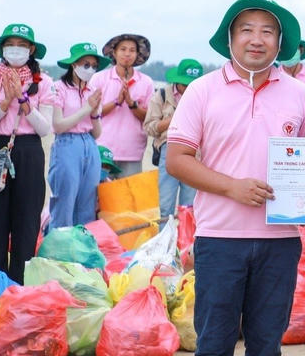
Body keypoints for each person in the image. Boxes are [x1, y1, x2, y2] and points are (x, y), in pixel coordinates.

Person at [168, 0, 305, 356]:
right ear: (230, 38)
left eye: (268, 31)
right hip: (220, 239)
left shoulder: (296, 94)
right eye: (247, 30)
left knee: (265, 346)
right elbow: (177, 160)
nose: (257, 39)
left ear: (281, 41)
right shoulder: (203, 91)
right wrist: (232, 186)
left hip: (279, 242)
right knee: (213, 345)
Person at [0, 23, 53, 284]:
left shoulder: (43, 81)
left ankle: (20, 288)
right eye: (11, 44)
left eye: (22, 45)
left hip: (29, 150)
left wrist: (22, 100)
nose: (16, 50)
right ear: (2, 48)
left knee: (26, 224)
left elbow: (45, 128)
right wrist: (4, 102)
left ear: (31, 49)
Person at [48, 43, 107, 229]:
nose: (90, 69)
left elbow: (97, 133)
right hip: (67, 143)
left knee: (87, 202)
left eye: (93, 65)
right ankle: (58, 248)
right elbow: (58, 125)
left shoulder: (93, 91)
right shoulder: (59, 88)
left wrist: (95, 113)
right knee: (64, 200)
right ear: (73, 64)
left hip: (89, 144)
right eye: (85, 64)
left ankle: (82, 249)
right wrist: (87, 108)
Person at [146, 58, 204, 220]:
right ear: (177, 81)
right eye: (184, 84)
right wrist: (172, 120)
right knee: (165, 204)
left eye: (192, 85)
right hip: (168, 148)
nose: (187, 89)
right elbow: (149, 127)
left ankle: (187, 244)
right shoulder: (162, 95)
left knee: (190, 207)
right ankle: (165, 242)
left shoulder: (204, 97)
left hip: (196, 154)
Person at [94, 33, 153, 176]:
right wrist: (116, 102)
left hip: (132, 151)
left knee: (127, 196)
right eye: (123, 49)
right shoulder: (99, 78)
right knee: (99, 195)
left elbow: (149, 117)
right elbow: (91, 112)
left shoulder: (146, 82)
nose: (127, 54)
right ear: (114, 52)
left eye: (132, 50)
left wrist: (132, 104)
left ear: (138, 54)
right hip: (102, 148)